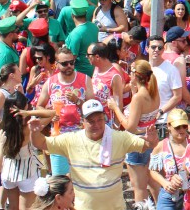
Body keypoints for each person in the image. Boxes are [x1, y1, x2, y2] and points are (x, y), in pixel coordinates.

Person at [28, 99, 158, 210]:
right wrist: (34, 133)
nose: (96, 125)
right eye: (91, 121)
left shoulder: (119, 138)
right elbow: (42, 143)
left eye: (100, 120)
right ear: (83, 121)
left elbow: (145, 145)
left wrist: (151, 142)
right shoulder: (71, 140)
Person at [107, 59, 161, 208]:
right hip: (151, 140)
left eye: (130, 71)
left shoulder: (139, 97)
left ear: (136, 75)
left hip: (136, 143)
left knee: (139, 187)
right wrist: (133, 91)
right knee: (152, 181)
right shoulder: (154, 92)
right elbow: (145, 117)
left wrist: (115, 108)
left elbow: (130, 126)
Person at [36, 47, 95, 176]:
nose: (69, 66)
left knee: (83, 179)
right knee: (60, 181)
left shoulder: (85, 80)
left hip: (81, 138)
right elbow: (39, 107)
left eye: (71, 62)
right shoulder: (51, 82)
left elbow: (94, 110)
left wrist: (78, 101)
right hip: (58, 138)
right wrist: (50, 115)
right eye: (64, 63)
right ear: (56, 64)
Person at [0, 92, 41, 210]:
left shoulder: (1, 125)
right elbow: (51, 114)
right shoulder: (28, 125)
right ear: (24, 107)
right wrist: (29, 113)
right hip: (26, 171)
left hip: (8, 170)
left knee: (12, 207)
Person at [148, 109, 190, 210]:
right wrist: (165, 183)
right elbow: (152, 170)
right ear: (169, 126)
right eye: (177, 127)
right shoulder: (161, 146)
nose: (182, 130)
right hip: (169, 195)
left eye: (184, 126)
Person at [147, 35, 185, 135]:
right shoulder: (144, 67)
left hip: (163, 121)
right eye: (153, 47)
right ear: (147, 49)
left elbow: (178, 96)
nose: (156, 50)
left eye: (159, 48)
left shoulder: (171, 70)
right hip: (145, 120)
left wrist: (161, 111)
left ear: (163, 50)